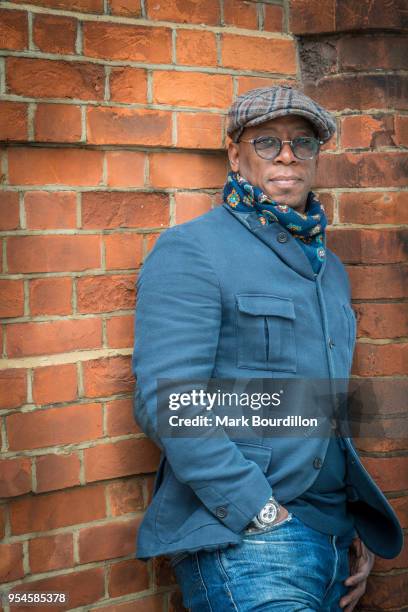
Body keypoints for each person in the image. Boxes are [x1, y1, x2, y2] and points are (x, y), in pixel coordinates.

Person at [132, 86, 403, 611]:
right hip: (249, 544)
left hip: (333, 541)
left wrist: (350, 522)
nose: (287, 155)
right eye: (268, 143)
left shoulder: (331, 271)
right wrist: (260, 512)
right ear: (235, 154)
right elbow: (166, 402)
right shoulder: (194, 250)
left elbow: (324, 410)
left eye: (303, 144)